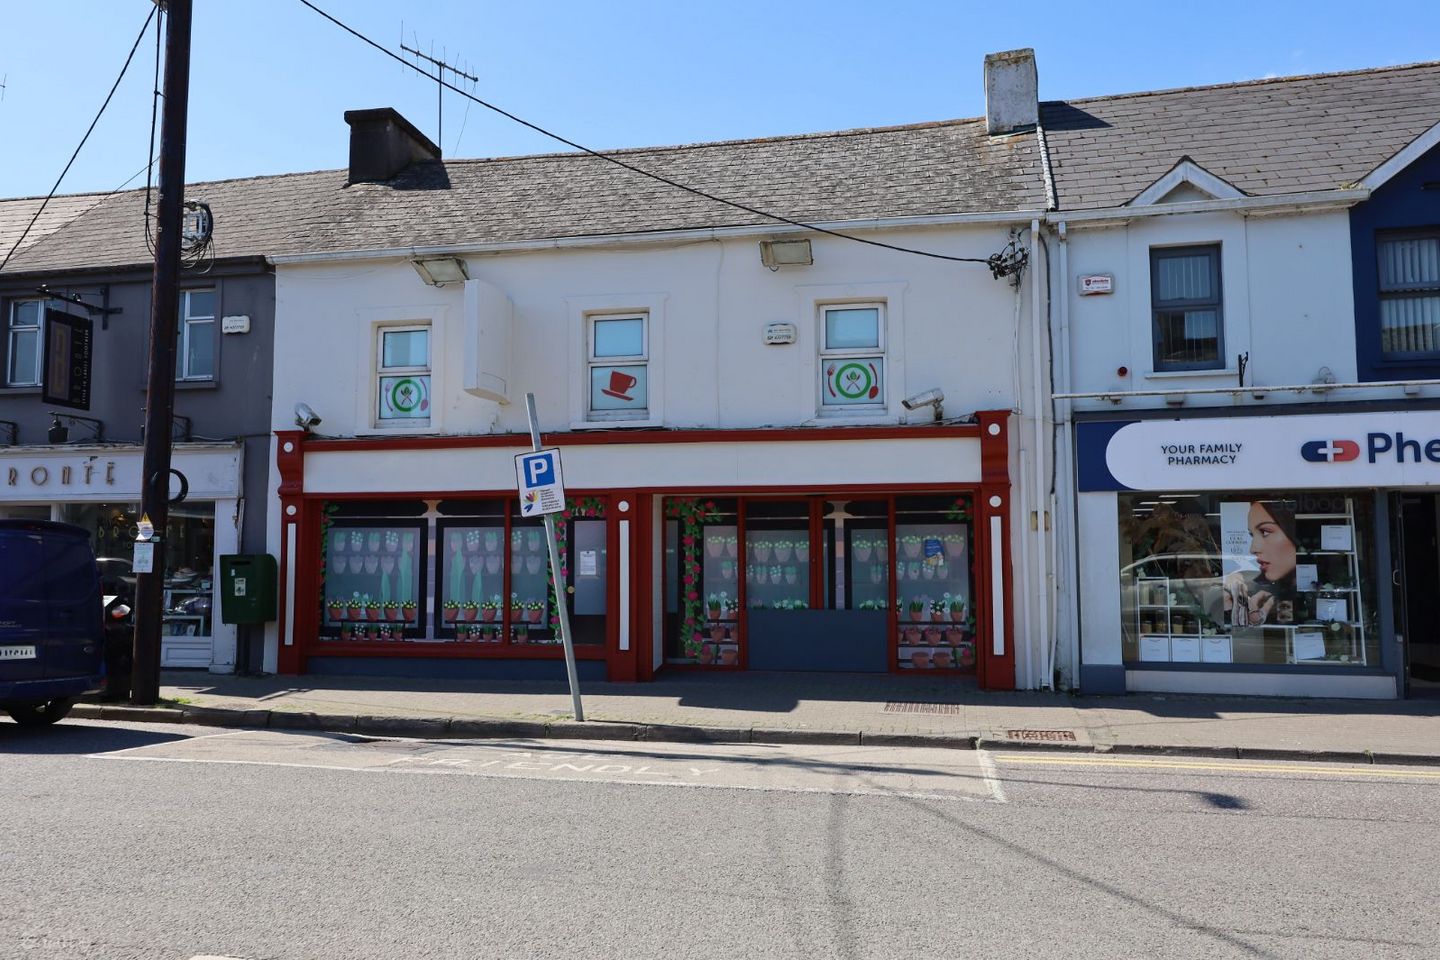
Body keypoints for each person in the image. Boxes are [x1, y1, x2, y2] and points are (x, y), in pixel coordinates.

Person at [1224, 500, 1298, 626]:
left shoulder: (1280, 588)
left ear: (1291, 529)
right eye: (1252, 535)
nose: (1253, 549)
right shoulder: (1253, 586)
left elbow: (1285, 632)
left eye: (1265, 532)